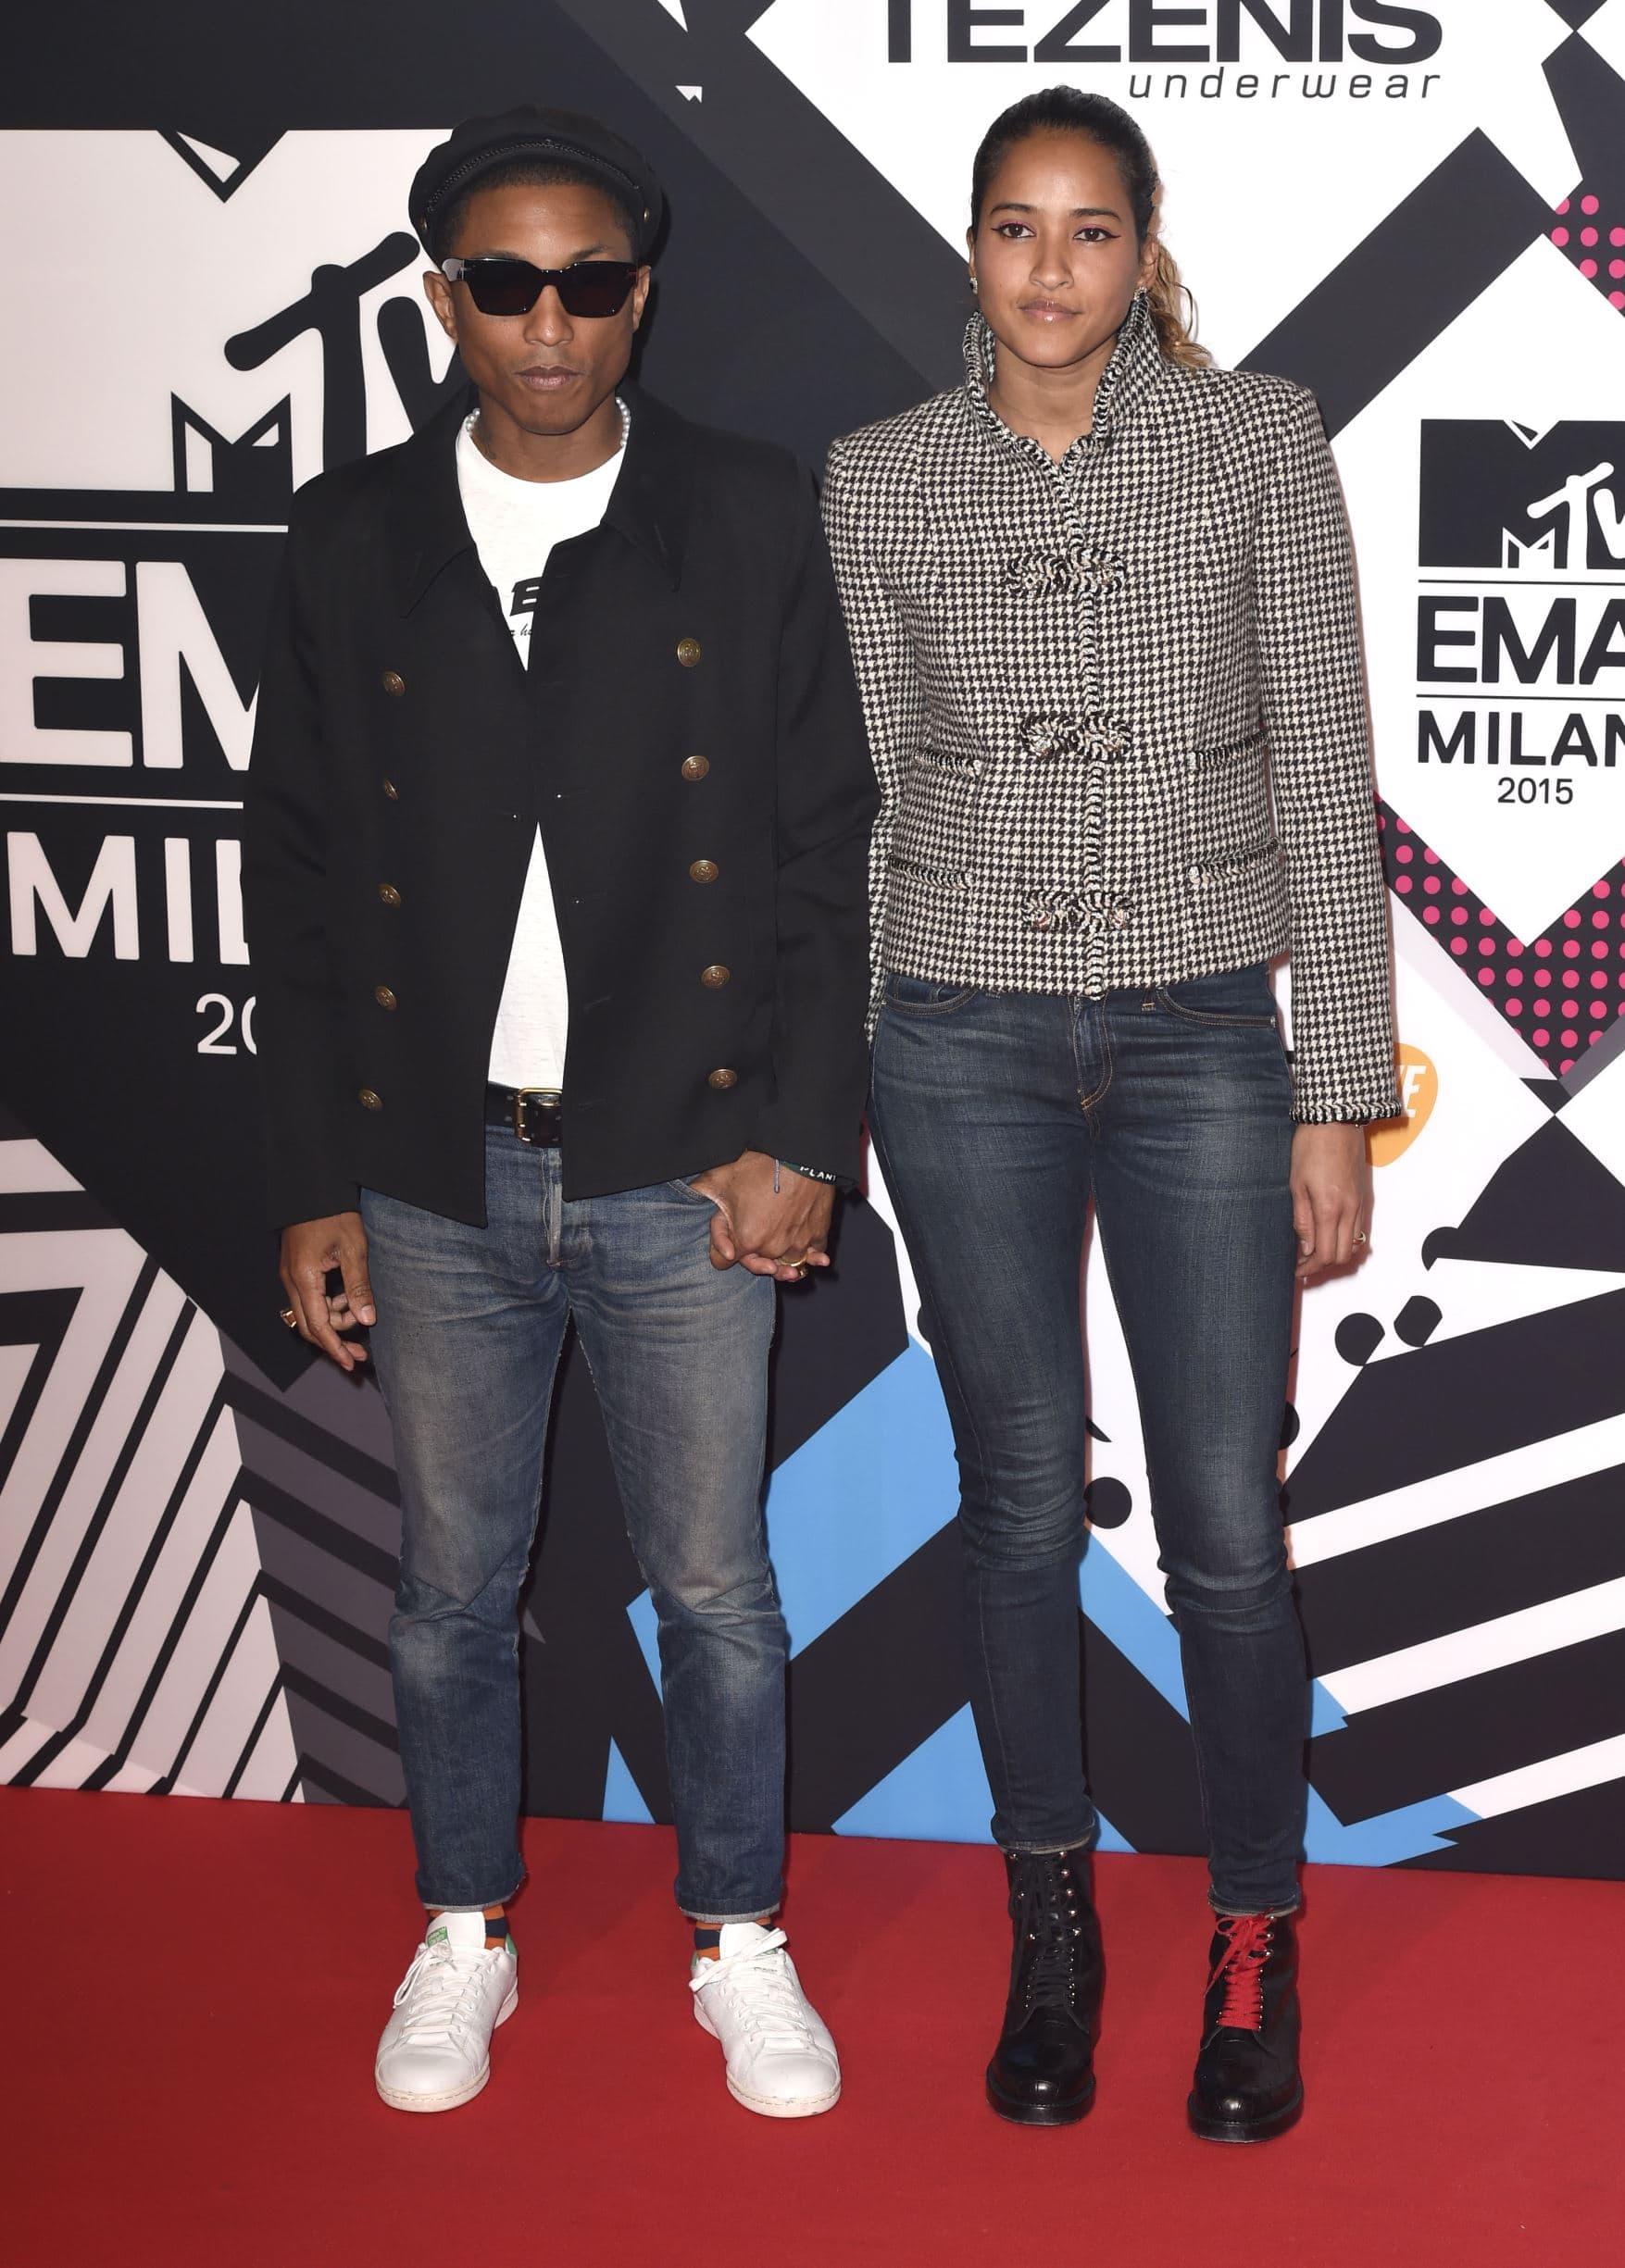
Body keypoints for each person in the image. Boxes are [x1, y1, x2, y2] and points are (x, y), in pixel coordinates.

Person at [243, 105, 876, 2121]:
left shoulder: (746, 511)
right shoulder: (353, 536)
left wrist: (801, 1138)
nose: (548, 320)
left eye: (587, 281)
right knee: (450, 1585)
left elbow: (824, 851)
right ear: (443, 299)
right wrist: (314, 1179)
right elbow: (298, 871)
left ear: (640, 294)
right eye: (505, 282)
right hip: (438, 1171)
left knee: (716, 1587)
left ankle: (739, 1935)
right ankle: (465, 1925)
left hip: (688, 1159)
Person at [823, 87, 1400, 2144]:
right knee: (1008, 1499)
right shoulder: (877, 476)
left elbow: (1322, 771)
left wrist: (1339, 1086)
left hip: (1199, 1041)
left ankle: (1252, 1932)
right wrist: (852, 1065)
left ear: (1142, 251)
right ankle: (1049, 1921)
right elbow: (867, 790)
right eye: (1013, 226)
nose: (1050, 267)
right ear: (968, 248)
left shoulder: (1256, 441)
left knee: (1225, 1522)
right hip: (956, 1037)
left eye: (1089, 230)